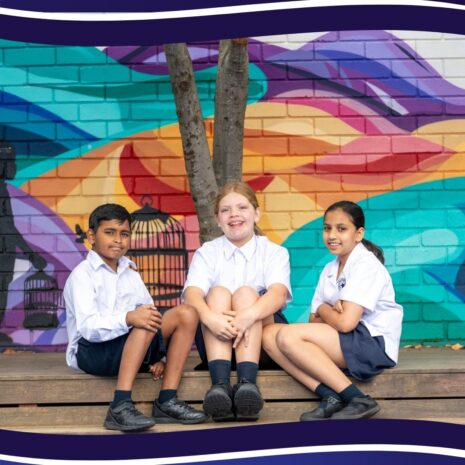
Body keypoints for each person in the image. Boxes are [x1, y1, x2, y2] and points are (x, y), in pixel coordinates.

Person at [64, 203, 206, 432]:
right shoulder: (82, 275)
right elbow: (89, 328)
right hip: (92, 352)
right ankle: (120, 405)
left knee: (186, 314)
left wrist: (162, 356)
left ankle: (167, 400)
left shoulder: (129, 271)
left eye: (124, 234)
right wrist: (128, 318)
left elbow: (150, 312)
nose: (118, 240)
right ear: (91, 236)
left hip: (130, 345)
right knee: (142, 321)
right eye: (109, 232)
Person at [263, 200, 403, 421]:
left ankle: (357, 398)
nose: (332, 235)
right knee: (268, 335)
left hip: (373, 343)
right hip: (346, 338)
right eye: (327, 228)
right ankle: (329, 395)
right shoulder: (330, 269)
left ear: (358, 234)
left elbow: (346, 323)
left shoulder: (366, 265)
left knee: (288, 336)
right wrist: (332, 311)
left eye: (341, 229)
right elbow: (313, 320)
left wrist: (324, 308)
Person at [183, 181, 292, 422]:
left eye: (242, 207)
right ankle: (220, 388)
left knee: (245, 294)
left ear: (256, 214)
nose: (234, 214)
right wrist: (210, 317)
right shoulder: (208, 252)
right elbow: (192, 293)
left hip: (260, 342)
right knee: (218, 294)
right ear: (217, 219)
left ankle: (247, 386)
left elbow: (278, 294)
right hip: (216, 336)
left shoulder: (274, 252)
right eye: (226, 210)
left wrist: (247, 315)